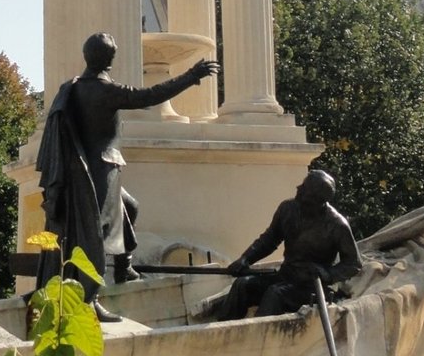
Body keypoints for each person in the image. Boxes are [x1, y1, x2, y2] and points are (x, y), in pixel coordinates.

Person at [35, 31, 219, 318]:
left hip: (82, 171)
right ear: (110, 59)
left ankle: (124, 267)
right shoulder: (105, 91)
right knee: (96, 236)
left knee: (129, 208)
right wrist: (190, 75)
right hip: (100, 169)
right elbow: (149, 96)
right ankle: (89, 301)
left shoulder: (70, 88)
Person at [199, 169, 362, 322]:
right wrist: (246, 259)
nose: (298, 187)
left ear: (315, 199)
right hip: (286, 276)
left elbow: (353, 264)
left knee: (275, 294)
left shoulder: (336, 225)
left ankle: (256, 338)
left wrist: (327, 273)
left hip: (310, 286)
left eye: (304, 187)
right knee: (243, 285)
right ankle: (223, 330)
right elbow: (269, 239)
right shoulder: (287, 209)